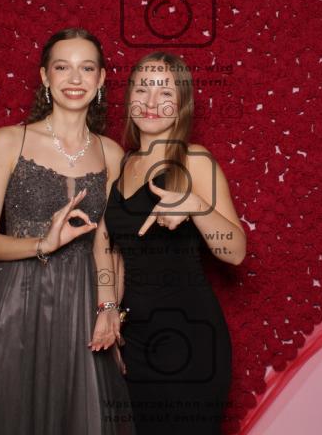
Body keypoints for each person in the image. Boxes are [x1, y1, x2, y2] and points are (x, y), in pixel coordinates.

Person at [0, 28, 135, 434]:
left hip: (84, 303)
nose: (75, 79)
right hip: (18, 300)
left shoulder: (111, 152)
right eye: (62, 67)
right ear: (44, 76)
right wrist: (42, 243)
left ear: (101, 79)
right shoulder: (9, 141)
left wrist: (109, 309)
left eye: (86, 68)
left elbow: (108, 244)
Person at [90, 51, 247, 434]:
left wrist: (195, 206)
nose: (151, 101)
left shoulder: (195, 161)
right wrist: (109, 310)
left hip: (190, 339)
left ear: (180, 107)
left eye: (165, 93)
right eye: (142, 89)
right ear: (129, 98)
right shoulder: (122, 165)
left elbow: (235, 251)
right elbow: (106, 246)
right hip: (136, 339)